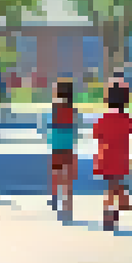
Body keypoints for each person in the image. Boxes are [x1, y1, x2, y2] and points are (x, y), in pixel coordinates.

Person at [93, 83, 132, 232]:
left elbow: (96, 133)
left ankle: (110, 212)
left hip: (105, 156)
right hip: (120, 158)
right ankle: (118, 206)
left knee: (110, 187)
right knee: (115, 184)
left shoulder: (103, 119)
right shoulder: (126, 119)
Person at [47, 78, 79, 221]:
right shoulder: (73, 110)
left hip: (57, 145)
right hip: (68, 145)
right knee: (68, 178)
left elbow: (50, 125)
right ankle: (68, 206)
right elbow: (75, 127)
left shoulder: (55, 108)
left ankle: (55, 197)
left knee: (56, 174)